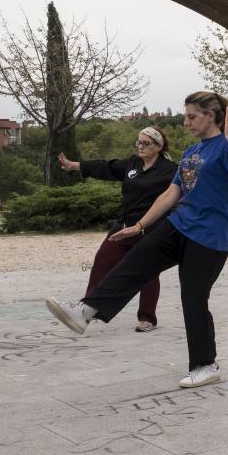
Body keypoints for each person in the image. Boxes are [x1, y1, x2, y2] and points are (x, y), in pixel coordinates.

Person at [45, 92, 228, 389]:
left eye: (192, 116)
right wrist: (139, 226)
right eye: (185, 116)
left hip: (210, 238)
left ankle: (205, 365)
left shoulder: (226, 148)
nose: (186, 122)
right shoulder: (191, 152)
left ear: (211, 116)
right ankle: (85, 311)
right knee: (136, 260)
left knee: (193, 299)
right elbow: (171, 194)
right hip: (179, 225)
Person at [57, 127, 178, 332]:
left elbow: (179, 194)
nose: (141, 146)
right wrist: (75, 165)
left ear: (159, 146)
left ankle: (147, 318)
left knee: (148, 272)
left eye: (146, 143)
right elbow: (106, 167)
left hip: (151, 230)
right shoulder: (132, 164)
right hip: (123, 227)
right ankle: (86, 310)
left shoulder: (170, 169)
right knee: (102, 261)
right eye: (138, 142)